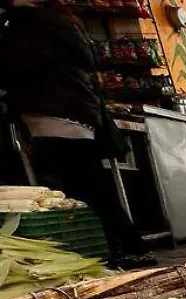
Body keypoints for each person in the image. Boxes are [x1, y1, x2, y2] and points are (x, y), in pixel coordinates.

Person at [0, 0, 155, 268]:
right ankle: (126, 246)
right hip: (76, 115)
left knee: (84, 189)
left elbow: (14, 68)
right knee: (93, 186)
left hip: (54, 116)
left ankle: (122, 248)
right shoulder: (61, 21)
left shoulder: (30, 26)